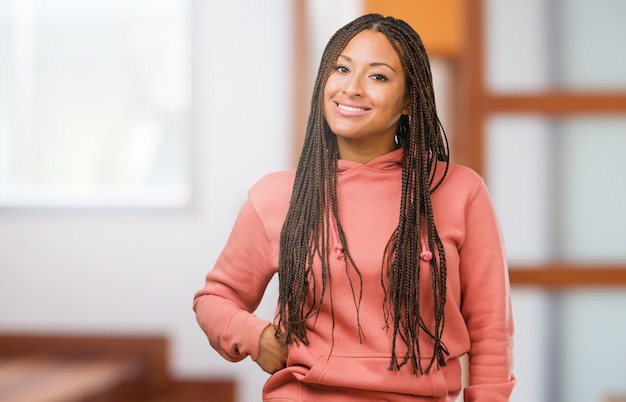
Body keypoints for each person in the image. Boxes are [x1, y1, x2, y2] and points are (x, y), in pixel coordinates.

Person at [193, 13, 515, 402]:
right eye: (341, 69)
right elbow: (214, 300)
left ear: (411, 99)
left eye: (377, 76)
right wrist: (255, 335)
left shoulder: (459, 190)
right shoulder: (277, 195)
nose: (352, 88)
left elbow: (490, 328)